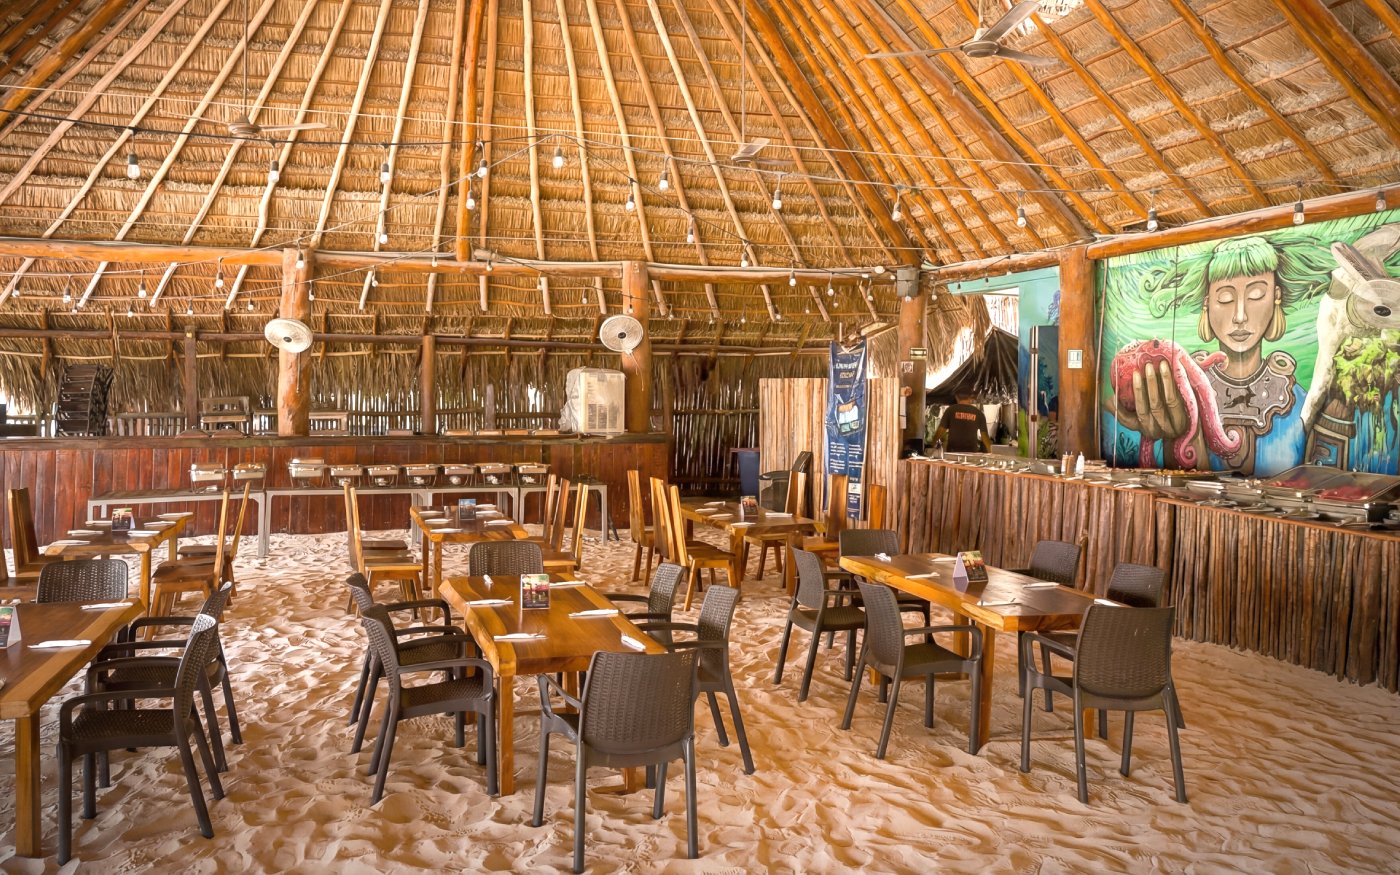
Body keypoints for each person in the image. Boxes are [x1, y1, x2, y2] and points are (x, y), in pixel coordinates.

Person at [1113, 235, 1332, 476]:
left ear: (1276, 296)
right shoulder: (1174, 393)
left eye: (1256, 294)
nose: (1240, 316)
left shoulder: (1296, 404)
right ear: (1207, 303)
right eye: (1225, 298)